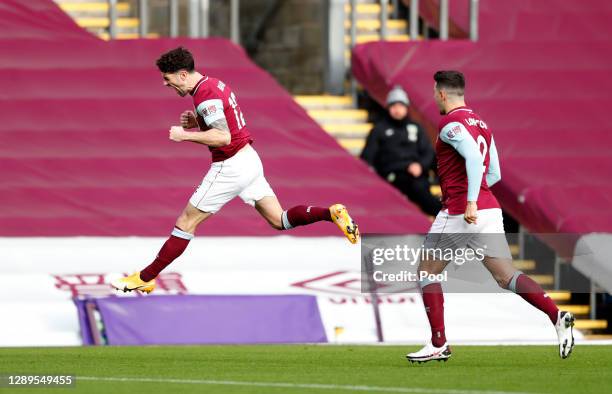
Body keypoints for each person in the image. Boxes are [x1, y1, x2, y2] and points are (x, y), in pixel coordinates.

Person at [111, 47, 359, 294]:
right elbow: (225, 118)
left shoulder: (205, 96)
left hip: (231, 166)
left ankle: (146, 277)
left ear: (183, 75)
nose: (166, 84)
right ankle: (331, 213)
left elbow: (222, 136)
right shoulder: (214, 85)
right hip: (249, 160)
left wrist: (185, 135)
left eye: (168, 78)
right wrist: (197, 121)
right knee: (279, 220)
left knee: (186, 222)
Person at [406, 71, 574, 363]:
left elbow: (472, 157)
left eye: (435, 92)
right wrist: (478, 197)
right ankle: (556, 315)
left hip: (461, 211)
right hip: (490, 209)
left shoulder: (449, 124)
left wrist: (469, 200)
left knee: (426, 272)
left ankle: (438, 343)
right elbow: (493, 173)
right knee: (506, 276)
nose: (434, 97)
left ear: (443, 94)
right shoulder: (482, 125)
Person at [361, 86, 441, 216]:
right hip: (392, 176)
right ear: (388, 107)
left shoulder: (416, 128)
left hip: (417, 176)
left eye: (400, 105)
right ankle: (441, 214)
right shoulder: (379, 130)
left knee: (419, 187)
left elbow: (428, 153)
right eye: (393, 105)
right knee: (415, 189)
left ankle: (443, 215)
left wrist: (420, 165)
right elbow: (367, 158)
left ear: (406, 107)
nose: (397, 109)